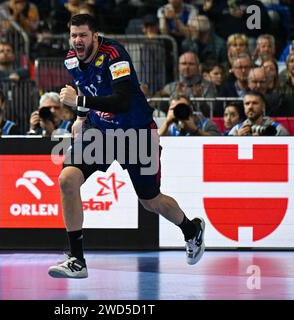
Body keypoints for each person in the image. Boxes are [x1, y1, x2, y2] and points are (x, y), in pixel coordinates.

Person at [48, 14, 205, 279]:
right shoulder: (71, 59)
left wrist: (80, 102)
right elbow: (85, 86)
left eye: (83, 35)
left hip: (137, 132)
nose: (78, 40)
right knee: (67, 179)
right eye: (74, 35)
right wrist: (81, 117)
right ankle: (77, 259)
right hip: (101, 133)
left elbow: (121, 101)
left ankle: (191, 230)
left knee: (150, 201)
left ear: (95, 36)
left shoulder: (114, 55)